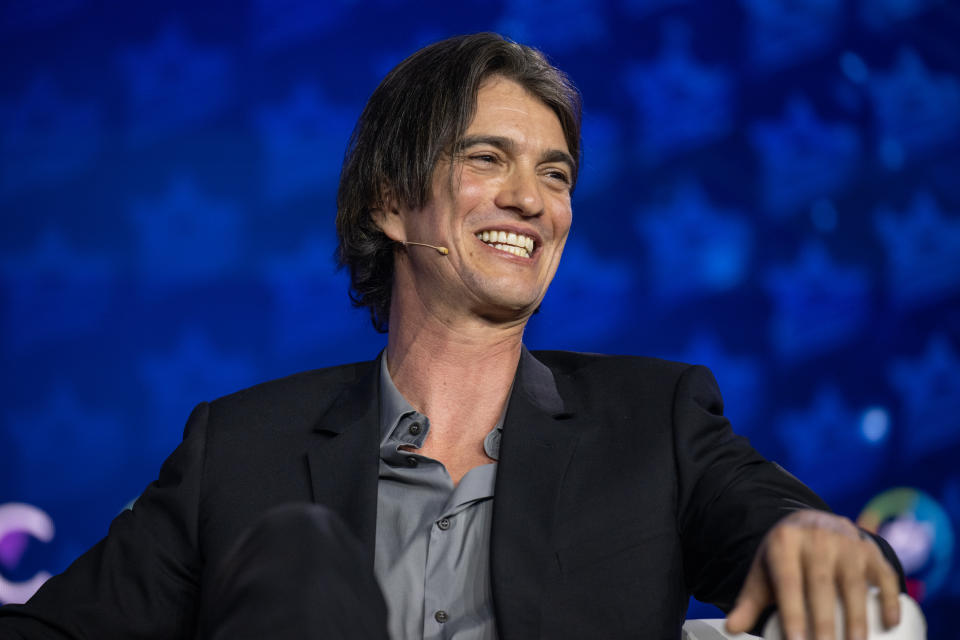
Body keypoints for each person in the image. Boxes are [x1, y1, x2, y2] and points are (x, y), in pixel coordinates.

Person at [0, 33, 904, 640]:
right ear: (392, 203)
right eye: (487, 159)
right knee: (299, 554)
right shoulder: (237, 449)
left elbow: (782, 524)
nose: (531, 200)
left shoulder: (655, 422)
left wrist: (815, 534)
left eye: (555, 174)